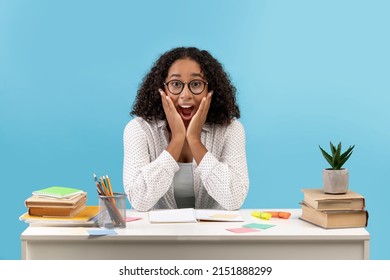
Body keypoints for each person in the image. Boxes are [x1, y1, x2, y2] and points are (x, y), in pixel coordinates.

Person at [123, 47, 249, 212]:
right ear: (162, 89)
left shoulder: (231, 129)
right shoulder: (139, 129)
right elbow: (138, 201)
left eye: (196, 84)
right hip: (157, 236)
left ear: (210, 90)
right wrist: (177, 139)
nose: (185, 95)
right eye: (176, 84)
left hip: (214, 236)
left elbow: (234, 199)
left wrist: (195, 141)